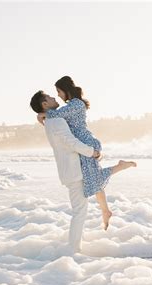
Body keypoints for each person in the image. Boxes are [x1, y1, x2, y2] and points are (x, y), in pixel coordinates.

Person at [37, 76, 136, 230]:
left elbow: (54, 115)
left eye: (58, 91)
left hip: (87, 145)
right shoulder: (73, 104)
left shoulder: (76, 104)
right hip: (84, 145)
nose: (57, 95)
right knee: (93, 180)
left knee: (93, 180)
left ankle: (120, 168)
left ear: (66, 90)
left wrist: (41, 115)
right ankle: (106, 211)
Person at [30, 90, 100, 253]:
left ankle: (75, 245)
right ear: (44, 104)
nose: (54, 98)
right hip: (74, 172)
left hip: (68, 171)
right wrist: (92, 152)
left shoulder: (49, 121)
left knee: (80, 210)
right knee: (80, 211)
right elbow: (72, 143)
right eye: (49, 97)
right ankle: (74, 249)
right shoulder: (57, 121)